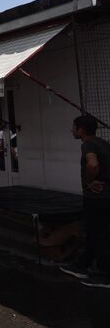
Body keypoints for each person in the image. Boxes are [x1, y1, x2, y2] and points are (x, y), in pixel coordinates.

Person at [61, 115, 110, 288]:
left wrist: (89, 182)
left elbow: (92, 165)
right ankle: (82, 265)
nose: (72, 130)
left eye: (74, 127)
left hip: (97, 199)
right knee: (94, 233)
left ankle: (106, 276)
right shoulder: (103, 143)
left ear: (81, 130)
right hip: (105, 198)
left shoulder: (88, 145)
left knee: (99, 234)